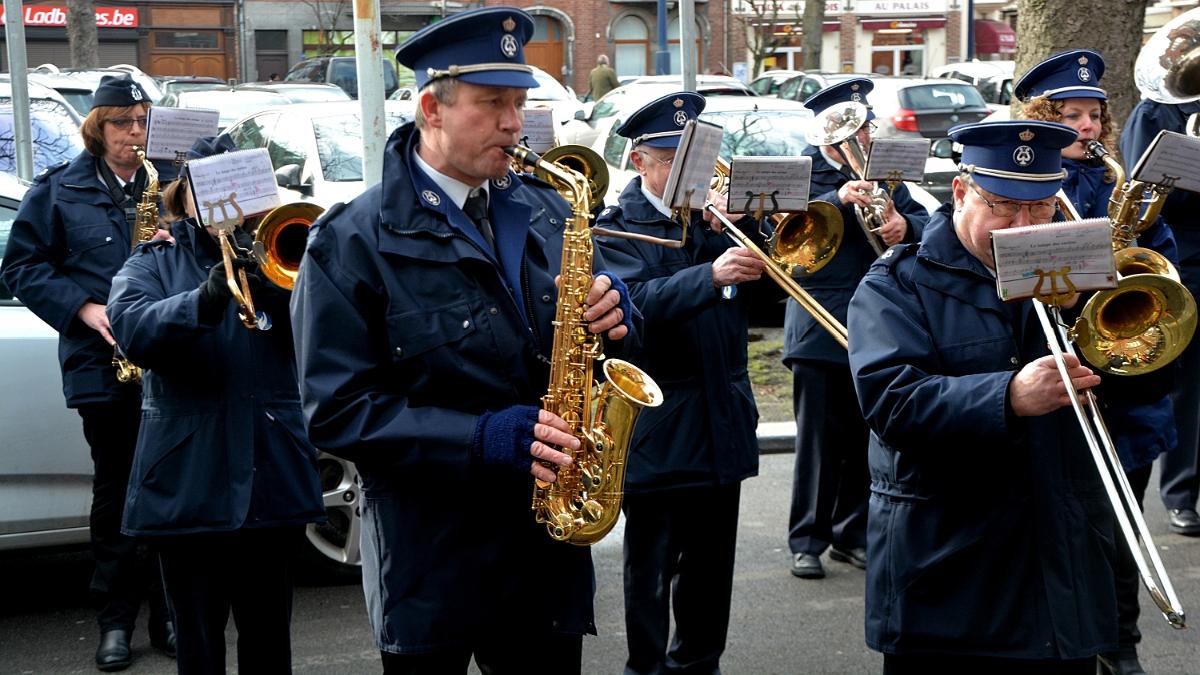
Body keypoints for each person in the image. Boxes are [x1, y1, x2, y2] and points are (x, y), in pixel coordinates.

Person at [288, 7, 636, 674]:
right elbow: (335, 411)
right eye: (493, 104)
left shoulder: (548, 210)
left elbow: (601, 350)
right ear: (431, 108)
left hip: (544, 560)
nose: (516, 123)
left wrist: (620, 314)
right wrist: (479, 436)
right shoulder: (349, 242)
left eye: (520, 102)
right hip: (433, 564)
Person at [847, 119, 1119, 673]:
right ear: (960, 191)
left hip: (1062, 572)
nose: (1021, 226)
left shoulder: (1076, 276)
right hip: (947, 578)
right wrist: (1010, 395)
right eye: (1002, 205)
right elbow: (891, 403)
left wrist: (1103, 341)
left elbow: (1147, 386)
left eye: (1040, 208)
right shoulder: (895, 284)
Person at [105, 134, 326, 674]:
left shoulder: (285, 255)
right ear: (189, 198)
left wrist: (283, 279)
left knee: (269, 640)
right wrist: (203, 301)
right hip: (188, 481)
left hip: (271, 474)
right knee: (198, 644)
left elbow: (338, 330)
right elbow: (132, 328)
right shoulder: (155, 260)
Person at [1, 74, 174, 672]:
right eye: (123, 123)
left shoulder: (166, 185)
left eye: (143, 121)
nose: (135, 133)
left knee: (171, 488)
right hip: (102, 361)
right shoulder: (58, 190)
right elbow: (21, 265)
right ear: (97, 126)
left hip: (167, 358)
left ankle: (169, 614)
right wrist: (82, 306)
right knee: (118, 491)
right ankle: (116, 619)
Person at [1016, 49, 1179, 675]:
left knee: (1124, 530)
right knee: (1063, 526)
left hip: (1125, 378)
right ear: (1044, 119)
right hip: (1057, 364)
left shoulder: (1120, 187)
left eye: (1093, 115)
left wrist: (1135, 249)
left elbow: (1162, 267)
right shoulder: (1031, 187)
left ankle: (1121, 641)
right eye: (1071, 115)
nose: (1087, 126)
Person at [594, 92, 766, 675]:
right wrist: (708, 274)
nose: (692, 175)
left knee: (712, 566)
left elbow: (765, 306)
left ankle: (700, 664)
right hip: (659, 423)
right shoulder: (618, 231)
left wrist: (752, 234)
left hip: (723, 416)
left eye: (698, 160)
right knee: (650, 567)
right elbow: (630, 307)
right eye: (675, 161)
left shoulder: (716, 223)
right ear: (640, 162)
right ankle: (645, 668)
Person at [784, 78, 929, 580]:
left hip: (877, 327)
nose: (863, 137)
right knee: (820, 443)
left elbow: (925, 223)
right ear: (825, 131)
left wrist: (902, 227)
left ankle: (851, 534)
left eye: (866, 126)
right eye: (853, 128)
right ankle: (807, 538)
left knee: (864, 436)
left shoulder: (885, 171)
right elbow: (777, 234)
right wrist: (835, 197)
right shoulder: (802, 172)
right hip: (819, 325)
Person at [1122, 94, 1200, 540]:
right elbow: (1142, 190)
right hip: (1184, 259)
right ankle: (1180, 494)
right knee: (1183, 383)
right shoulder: (1158, 109)